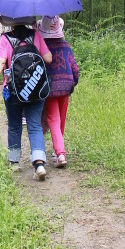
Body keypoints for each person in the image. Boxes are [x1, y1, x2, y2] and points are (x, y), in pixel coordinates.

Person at [0, 16, 52, 180]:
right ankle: (39, 164)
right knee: (35, 125)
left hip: (13, 90)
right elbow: (48, 58)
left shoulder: (6, 38)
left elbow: (1, 62)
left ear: (9, 23)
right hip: (36, 88)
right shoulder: (36, 35)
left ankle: (14, 162)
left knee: (15, 125)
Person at [39, 16, 79, 167]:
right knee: (61, 119)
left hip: (50, 88)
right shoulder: (66, 45)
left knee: (53, 119)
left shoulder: (42, 47)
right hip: (66, 86)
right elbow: (74, 68)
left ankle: (60, 153)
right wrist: (73, 83)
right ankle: (59, 151)